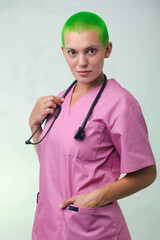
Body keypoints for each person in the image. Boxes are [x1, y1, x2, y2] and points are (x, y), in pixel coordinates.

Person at [29, 11, 156, 240]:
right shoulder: (59, 100)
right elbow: (53, 161)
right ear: (63, 52)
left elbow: (147, 173)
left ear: (107, 49)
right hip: (48, 224)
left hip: (92, 229)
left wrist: (97, 197)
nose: (82, 62)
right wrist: (34, 125)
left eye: (91, 50)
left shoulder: (121, 104)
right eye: (72, 52)